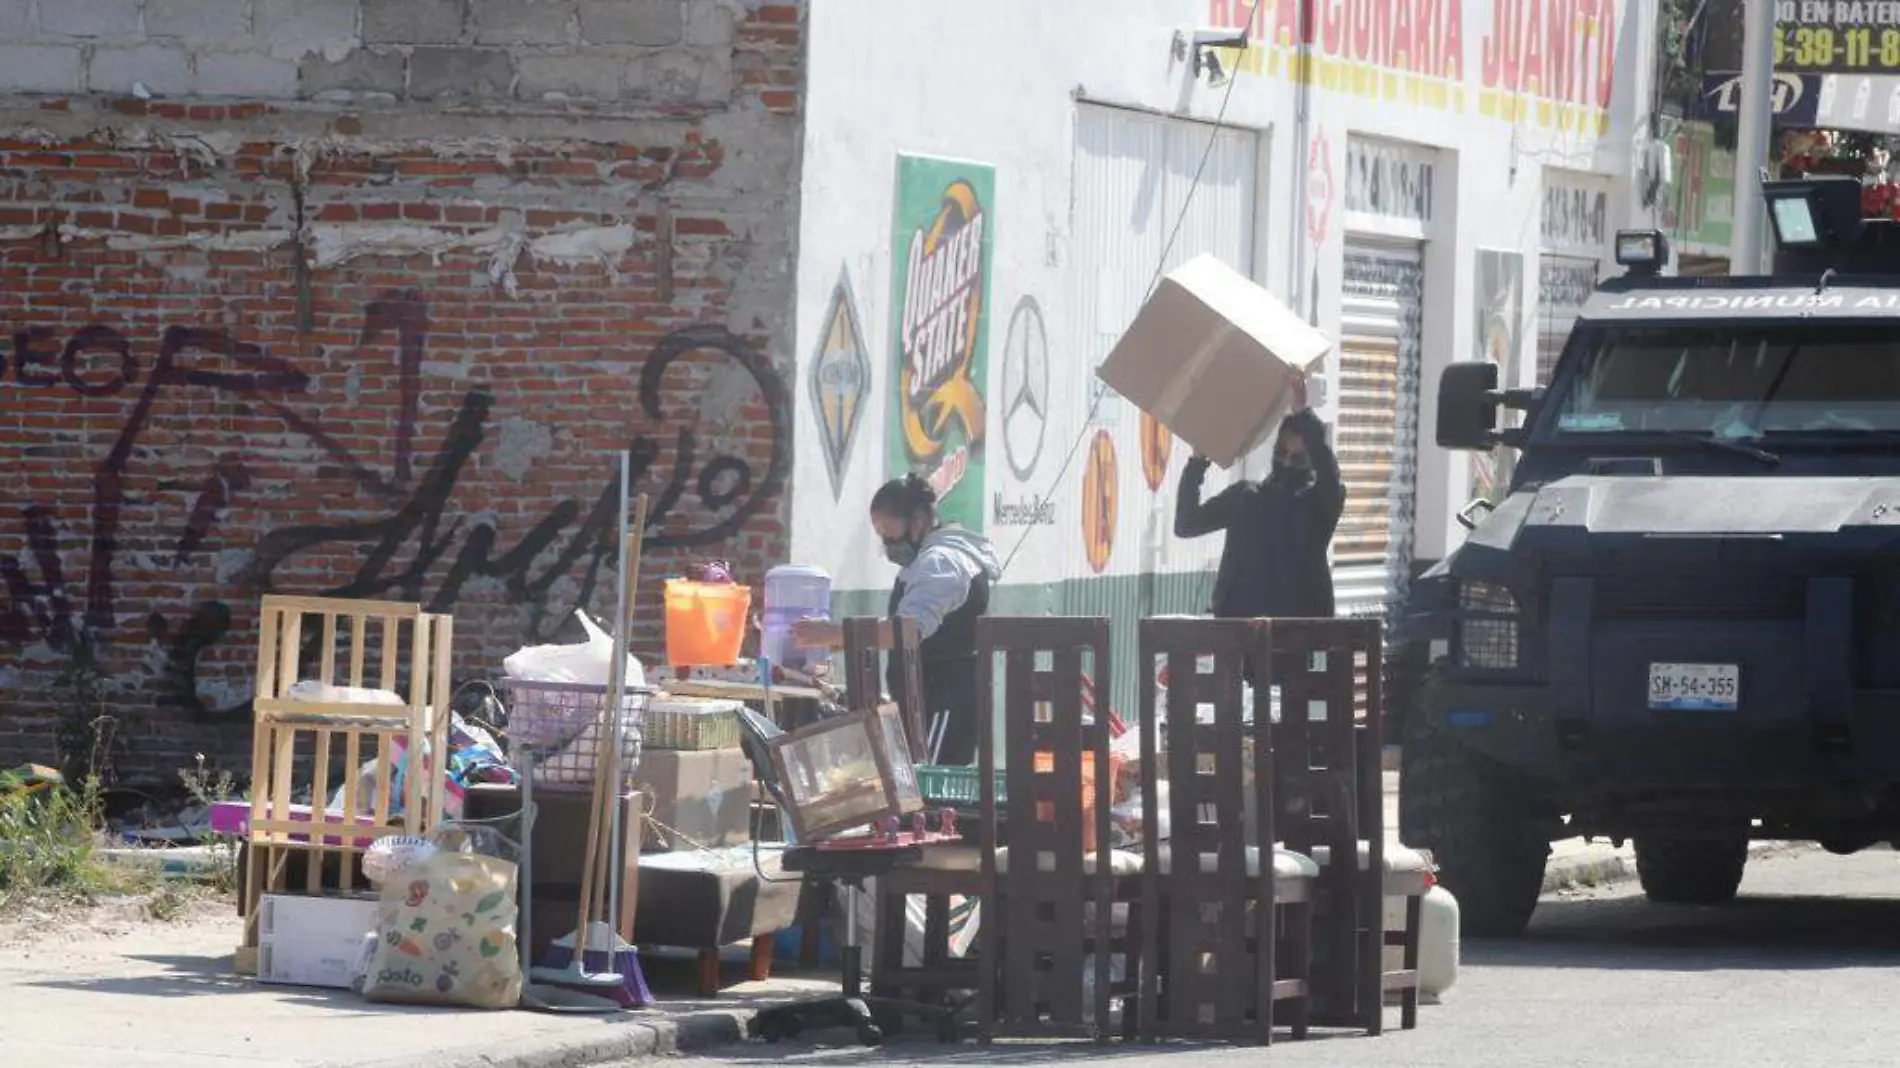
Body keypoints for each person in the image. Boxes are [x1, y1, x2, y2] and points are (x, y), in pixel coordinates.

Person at [794, 474, 1002, 765]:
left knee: (932, 794)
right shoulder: (925, 560)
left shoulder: (941, 562)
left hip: (943, 704)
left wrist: (829, 634)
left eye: (891, 535)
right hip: (923, 701)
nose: (888, 544)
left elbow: (905, 631)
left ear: (917, 521)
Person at [1173, 404, 1344, 620]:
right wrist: (1197, 463)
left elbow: (1330, 478)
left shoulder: (1317, 505)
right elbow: (1187, 524)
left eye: (1298, 458)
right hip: (1237, 631)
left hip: (1292, 636)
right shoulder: (1245, 497)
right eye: (1282, 453)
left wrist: (1302, 413)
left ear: (1312, 462)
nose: (1287, 462)